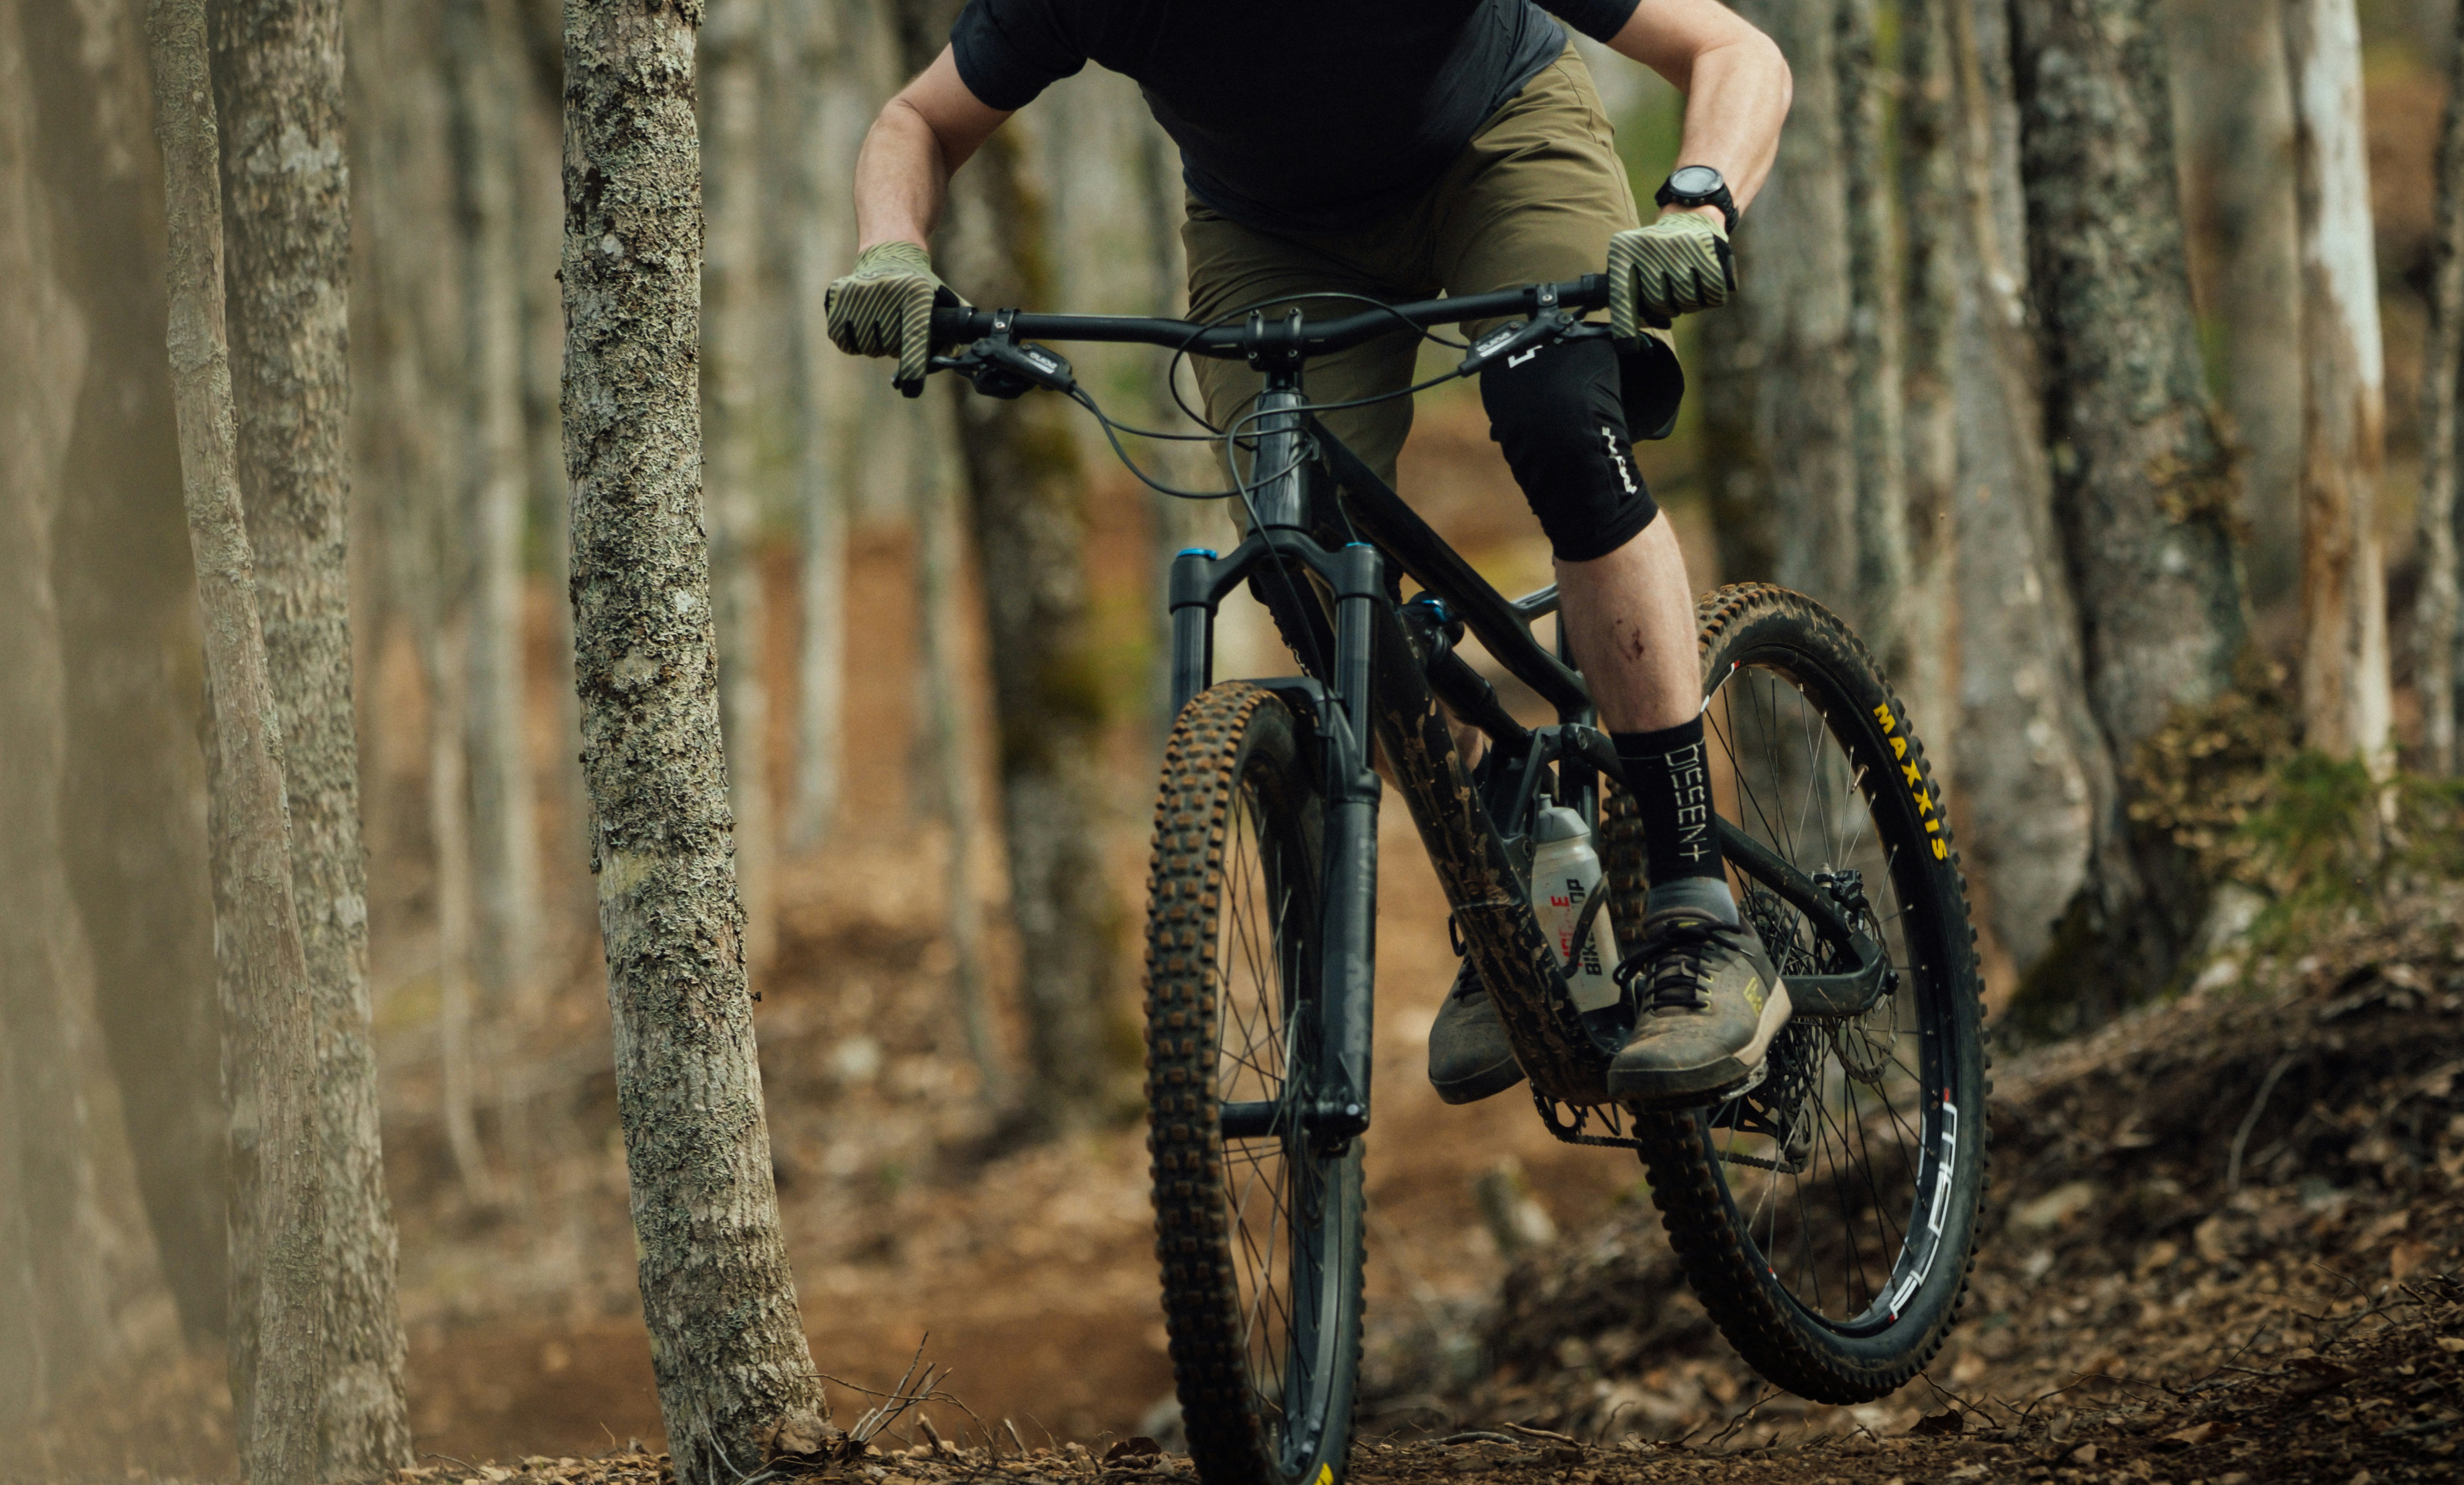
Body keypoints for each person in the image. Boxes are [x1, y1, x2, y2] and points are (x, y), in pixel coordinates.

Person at [827, 0, 1795, 1109]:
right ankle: (1497, 861)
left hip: (1499, 140)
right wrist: (890, 249)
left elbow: (1730, 48)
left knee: (1562, 421)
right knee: (1298, 545)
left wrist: (1697, 204)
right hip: (1272, 232)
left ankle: (1693, 909)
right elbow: (918, 119)